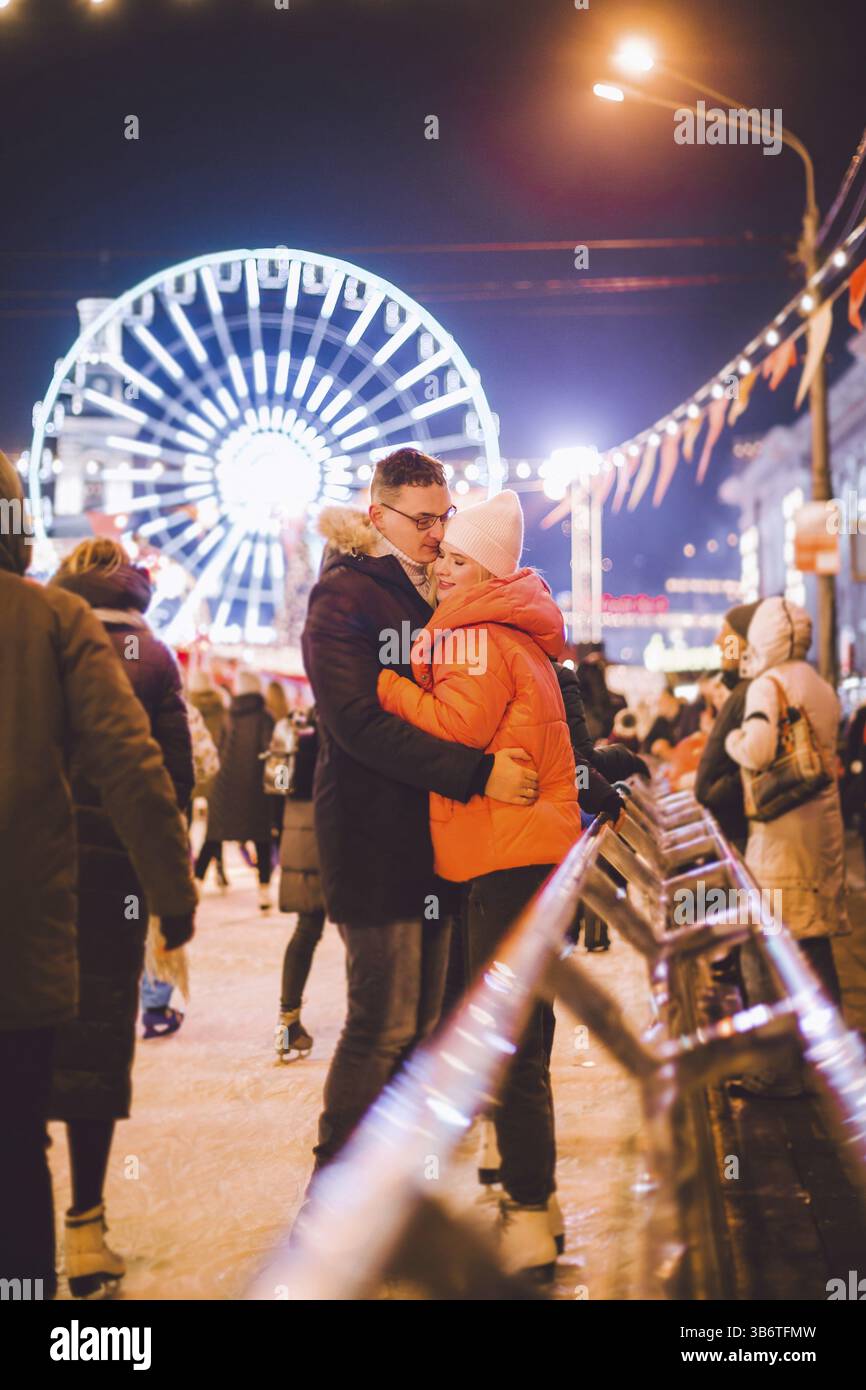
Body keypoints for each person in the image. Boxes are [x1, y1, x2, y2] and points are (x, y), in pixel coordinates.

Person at [300, 448, 538, 1183]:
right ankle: (334, 1193)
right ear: (379, 515)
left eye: (445, 518)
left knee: (423, 1031)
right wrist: (477, 774)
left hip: (436, 840)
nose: (439, 534)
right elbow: (358, 725)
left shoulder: (431, 595)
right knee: (381, 1024)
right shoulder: (345, 597)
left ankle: (388, 1190)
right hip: (373, 838)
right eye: (425, 520)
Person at [0, 450, 196, 1300]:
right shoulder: (51, 625)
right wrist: (171, 888)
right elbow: (139, 766)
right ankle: (54, 1260)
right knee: (16, 1139)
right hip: (40, 912)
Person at [378, 489, 582, 1280]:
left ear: (486, 569)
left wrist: (384, 684)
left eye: (457, 559)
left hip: (508, 857)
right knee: (514, 1031)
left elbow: (455, 729)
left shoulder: (479, 635)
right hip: (516, 854)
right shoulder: (513, 634)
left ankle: (531, 1209)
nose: (440, 570)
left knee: (508, 1041)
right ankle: (531, 1197)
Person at [43, 540, 194, 1292]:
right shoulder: (154, 655)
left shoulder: (39, 632)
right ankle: (87, 1227)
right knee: (99, 1034)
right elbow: (170, 775)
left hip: (32, 863)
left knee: (25, 1037)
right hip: (116, 875)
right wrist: (173, 891)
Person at [724, 596, 849, 1097]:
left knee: (773, 954)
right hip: (822, 830)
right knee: (814, 946)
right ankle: (831, 1056)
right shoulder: (820, 685)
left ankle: (778, 1071)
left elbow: (756, 750)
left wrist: (732, 738)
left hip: (779, 836)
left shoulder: (767, 685)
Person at [195, 670, 275, 911]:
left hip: (225, 787)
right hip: (255, 790)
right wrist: (281, 789)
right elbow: (273, 755)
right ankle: (263, 892)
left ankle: (196, 884)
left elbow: (218, 750)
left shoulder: (228, 715)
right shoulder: (265, 717)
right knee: (261, 839)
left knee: (212, 838)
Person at [274, 707, 325, 1060]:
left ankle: (286, 1025)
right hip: (329, 838)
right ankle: (376, 1030)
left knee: (306, 929)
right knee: (362, 938)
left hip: (299, 839)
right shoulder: (342, 730)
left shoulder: (299, 735)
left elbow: (278, 792)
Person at [694, 601, 760, 851]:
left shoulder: (751, 692)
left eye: (727, 633)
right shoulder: (742, 691)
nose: (718, 641)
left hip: (740, 831)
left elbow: (754, 762)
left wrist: (713, 790)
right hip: (735, 829)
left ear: (745, 641)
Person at [188, 668, 229, 887]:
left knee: (185, 824)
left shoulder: (183, 707)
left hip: (188, 773)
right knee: (215, 824)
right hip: (214, 772)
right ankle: (220, 868)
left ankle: (187, 863)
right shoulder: (220, 709)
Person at [642, 688, 683, 754]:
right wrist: (654, 746)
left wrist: (667, 749)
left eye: (662, 701)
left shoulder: (687, 715)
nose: (659, 704)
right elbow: (646, 743)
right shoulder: (660, 720)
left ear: (672, 699)